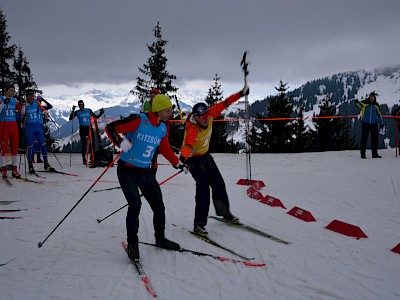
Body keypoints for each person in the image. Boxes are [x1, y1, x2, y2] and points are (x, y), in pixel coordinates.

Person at [105, 94, 187, 260]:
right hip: (126, 171)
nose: (171, 112)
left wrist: (177, 163)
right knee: (135, 205)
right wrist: (120, 142)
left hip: (145, 172)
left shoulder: (162, 127)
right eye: (168, 109)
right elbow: (111, 128)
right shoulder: (139, 120)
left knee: (159, 206)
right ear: (159, 109)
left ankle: (160, 239)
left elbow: (164, 148)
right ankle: (132, 245)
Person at [179, 85, 249, 236]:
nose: (205, 120)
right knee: (203, 189)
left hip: (206, 156)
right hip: (193, 160)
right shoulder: (192, 128)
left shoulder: (210, 114)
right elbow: (188, 145)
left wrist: (241, 93)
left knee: (218, 183)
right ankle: (199, 225)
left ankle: (225, 214)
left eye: (206, 116)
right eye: (202, 118)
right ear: (196, 117)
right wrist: (183, 159)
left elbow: (225, 103)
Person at [24, 91, 55, 174]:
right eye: (29, 96)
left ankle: (46, 164)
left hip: (38, 126)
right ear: (26, 97)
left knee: (43, 144)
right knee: (30, 146)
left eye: (32, 96)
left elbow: (49, 106)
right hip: (29, 127)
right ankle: (30, 165)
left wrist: (42, 100)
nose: (31, 97)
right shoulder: (24, 105)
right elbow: (20, 114)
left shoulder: (37, 103)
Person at [0, 85, 25, 179]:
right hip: (3, 125)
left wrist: (23, 105)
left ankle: (15, 169)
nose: (12, 92)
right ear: (6, 91)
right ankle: (3, 170)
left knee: (15, 147)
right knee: (4, 147)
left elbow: (22, 113)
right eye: (10, 90)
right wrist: (3, 103)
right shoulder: (1, 98)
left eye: (13, 91)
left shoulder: (14, 100)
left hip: (13, 125)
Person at [69, 100, 104, 165]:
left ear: (84, 104)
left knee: (92, 143)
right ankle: (84, 159)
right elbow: (70, 118)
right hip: (82, 128)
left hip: (89, 128)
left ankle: (92, 157)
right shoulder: (77, 112)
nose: (81, 106)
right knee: (84, 144)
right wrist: (73, 111)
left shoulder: (89, 110)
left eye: (82, 104)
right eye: (79, 105)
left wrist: (101, 113)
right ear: (78, 106)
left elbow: (95, 117)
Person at [355, 91, 384, 159]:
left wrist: (381, 123)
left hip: (374, 124)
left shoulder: (376, 105)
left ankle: (374, 154)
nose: (371, 98)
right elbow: (359, 104)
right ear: (369, 97)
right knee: (364, 138)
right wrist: (356, 101)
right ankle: (363, 154)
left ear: (374, 98)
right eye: (370, 97)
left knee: (375, 139)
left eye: (372, 97)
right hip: (365, 123)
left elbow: (379, 115)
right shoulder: (365, 103)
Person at [141, 88, 161, 174]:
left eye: (154, 96)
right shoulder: (145, 104)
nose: (152, 98)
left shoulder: (160, 105)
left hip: (155, 133)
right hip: (145, 132)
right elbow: (141, 114)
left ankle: (153, 174)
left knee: (154, 156)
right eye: (151, 96)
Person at [33, 95, 53, 163]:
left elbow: (50, 106)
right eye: (39, 100)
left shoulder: (42, 108)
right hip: (34, 125)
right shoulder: (33, 107)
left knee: (40, 142)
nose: (40, 102)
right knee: (34, 142)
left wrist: (44, 100)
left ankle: (38, 158)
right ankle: (32, 159)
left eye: (40, 101)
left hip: (41, 125)